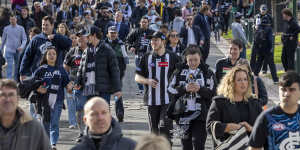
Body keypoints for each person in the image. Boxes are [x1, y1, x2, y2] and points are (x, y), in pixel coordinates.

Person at [135, 31, 181, 143]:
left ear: (163, 41)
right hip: (152, 100)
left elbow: (181, 74)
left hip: (168, 100)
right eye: (152, 40)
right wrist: (147, 81)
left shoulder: (173, 57)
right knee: (154, 133)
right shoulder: (146, 57)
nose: (153, 42)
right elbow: (137, 77)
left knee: (164, 127)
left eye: (156, 40)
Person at [167, 45, 216, 150]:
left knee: (198, 143)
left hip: (201, 115)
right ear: (186, 59)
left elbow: (214, 93)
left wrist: (200, 89)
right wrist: (184, 88)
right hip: (182, 114)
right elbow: (170, 89)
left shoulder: (207, 72)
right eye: (190, 60)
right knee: (186, 145)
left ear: (200, 59)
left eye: (196, 60)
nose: (193, 63)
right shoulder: (179, 71)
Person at [206, 66, 263, 149]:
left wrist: (250, 128)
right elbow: (209, 127)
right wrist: (228, 127)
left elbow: (265, 127)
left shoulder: (254, 103)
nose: (243, 83)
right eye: (239, 80)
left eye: (245, 79)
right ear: (231, 83)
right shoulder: (219, 102)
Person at [33, 46, 73, 149]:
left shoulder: (61, 69)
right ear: (45, 56)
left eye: (54, 54)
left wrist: (70, 87)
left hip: (58, 100)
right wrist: (38, 88)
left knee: (54, 122)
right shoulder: (41, 69)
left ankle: (53, 143)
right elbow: (33, 84)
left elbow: (67, 83)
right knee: (45, 122)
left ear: (56, 56)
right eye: (49, 54)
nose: (51, 56)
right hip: (44, 101)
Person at [249, 71, 300, 149]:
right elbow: (254, 148)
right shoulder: (266, 117)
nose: (286, 94)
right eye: (283, 89)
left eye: (292, 90)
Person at [76, 25, 122, 104]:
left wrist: (117, 89)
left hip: (102, 90)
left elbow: (115, 71)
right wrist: (78, 82)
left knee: (103, 114)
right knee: (92, 115)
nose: (86, 38)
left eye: (88, 36)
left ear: (94, 35)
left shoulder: (107, 50)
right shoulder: (86, 51)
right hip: (88, 89)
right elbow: (81, 69)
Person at [0, 79, 51, 150]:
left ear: (18, 98)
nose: (7, 99)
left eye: (11, 95)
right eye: (3, 95)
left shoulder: (33, 127)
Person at [70, 97, 136, 150]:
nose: (100, 118)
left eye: (104, 113)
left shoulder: (131, 146)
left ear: (110, 116)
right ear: (85, 120)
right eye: (94, 114)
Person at [19, 16, 72, 81]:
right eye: (43, 25)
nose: (44, 27)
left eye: (47, 25)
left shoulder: (58, 37)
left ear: (52, 25)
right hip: (39, 75)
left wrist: (55, 37)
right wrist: (22, 73)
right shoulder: (36, 39)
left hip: (55, 75)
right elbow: (27, 56)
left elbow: (69, 43)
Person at [64, 29, 88, 142]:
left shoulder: (93, 51)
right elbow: (66, 67)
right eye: (79, 36)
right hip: (77, 86)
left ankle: (90, 132)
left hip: (90, 85)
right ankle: (82, 132)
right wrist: (69, 82)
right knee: (79, 109)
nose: (81, 38)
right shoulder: (72, 51)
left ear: (88, 37)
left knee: (90, 109)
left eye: (83, 36)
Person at [105, 26, 128, 122]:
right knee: (105, 95)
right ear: (107, 34)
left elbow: (125, 61)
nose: (113, 34)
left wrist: (120, 74)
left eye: (114, 33)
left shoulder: (121, 44)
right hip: (105, 74)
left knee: (117, 94)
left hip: (117, 75)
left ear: (117, 34)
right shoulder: (103, 44)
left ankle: (120, 113)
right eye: (111, 33)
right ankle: (106, 114)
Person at [126, 16, 154, 95]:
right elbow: (128, 40)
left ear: (148, 23)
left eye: (146, 22)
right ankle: (141, 89)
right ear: (140, 23)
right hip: (138, 56)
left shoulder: (152, 32)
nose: (144, 23)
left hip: (150, 56)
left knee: (150, 72)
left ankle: (148, 88)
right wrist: (130, 47)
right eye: (143, 22)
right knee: (139, 72)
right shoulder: (135, 31)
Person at [0, 12, 27, 80]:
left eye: (13, 19)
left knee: (17, 67)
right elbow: (3, 41)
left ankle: (15, 81)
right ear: (9, 20)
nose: (12, 21)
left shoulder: (21, 28)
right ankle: (8, 81)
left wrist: (22, 46)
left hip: (18, 50)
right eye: (11, 19)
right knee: (9, 66)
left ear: (16, 19)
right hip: (8, 50)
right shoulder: (6, 29)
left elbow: (24, 39)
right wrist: (1, 50)